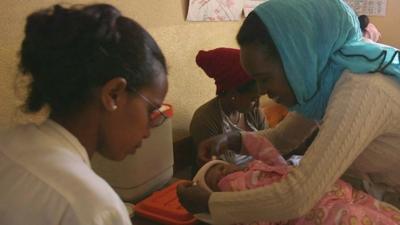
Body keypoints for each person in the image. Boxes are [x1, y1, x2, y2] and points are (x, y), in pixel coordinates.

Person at [177, 0, 400, 224]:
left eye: (264, 79)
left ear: (297, 59)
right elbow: (282, 139)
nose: (261, 91)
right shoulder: (322, 83)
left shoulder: (361, 92)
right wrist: (232, 139)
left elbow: (298, 196)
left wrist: (210, 204)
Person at [0, 4, 168, 225]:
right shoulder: (94, 208)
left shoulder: (8, 144)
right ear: (113, 94)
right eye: (151, 110)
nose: (148, 131)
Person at [193, 133, 400, 225]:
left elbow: (266, 149)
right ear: (217, 196)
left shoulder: (257, 166)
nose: (222, 174)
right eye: (215, 180)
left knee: (384, 213)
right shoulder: (237, 199)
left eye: (219, 167)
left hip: (339, 192)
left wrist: (236, 139)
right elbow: (254, 217)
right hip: (318, 214)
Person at [190, 48, 266, 170]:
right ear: (233, 93)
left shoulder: (254, 113)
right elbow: (214, 171)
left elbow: (268, 147)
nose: (258, 104)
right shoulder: (205, 120)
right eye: (253, 99)